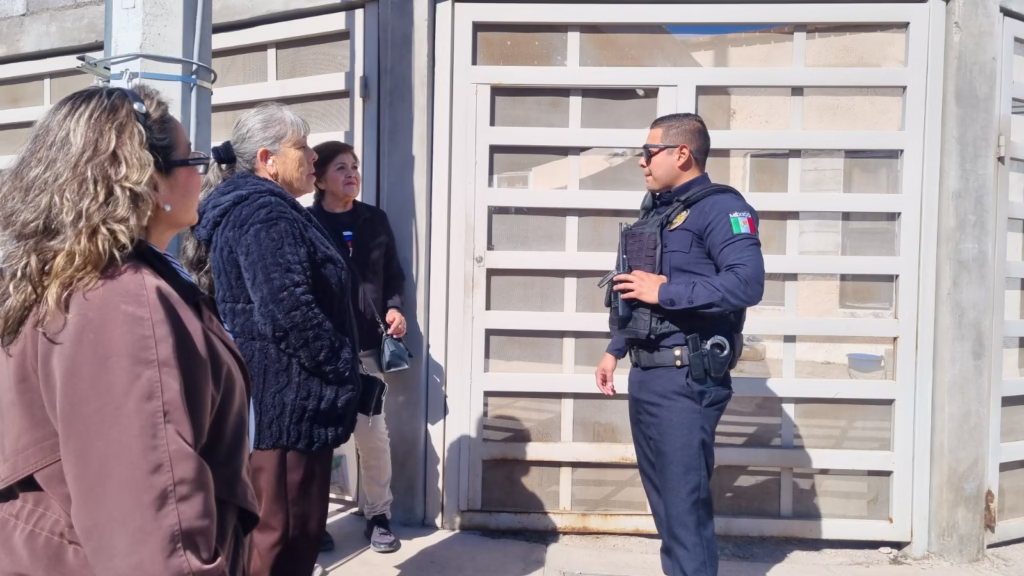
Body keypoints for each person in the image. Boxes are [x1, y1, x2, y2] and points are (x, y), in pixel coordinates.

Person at [0, 86, 258, 575]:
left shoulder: (69, 277)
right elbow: (154, 539)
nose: (201, 174)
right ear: (150, 181)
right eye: (191, 159)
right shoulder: (118, 301)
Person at [182, 104, 361, 576]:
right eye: (302, 147)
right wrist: (341, 365)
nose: (313, 157)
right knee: (281, 536)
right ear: (268, 159)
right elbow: (288, 310)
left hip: (278, 401)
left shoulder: (264, 207)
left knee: (283, 535)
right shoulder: (264, 213)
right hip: (285, 407)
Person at [594, 113, 765, 576]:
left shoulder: (722, 209)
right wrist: (616, 347)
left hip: (687, 378)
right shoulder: (656, 211)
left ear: (682, 153)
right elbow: (636, 290)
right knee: (667, 507)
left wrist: (666, 290)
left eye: (649, 152)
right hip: (648, 374)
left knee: (684, 508)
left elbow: (747, 283)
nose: (642, 162)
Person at [309, 141, 406, 554]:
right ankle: (314, 521)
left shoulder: (374, 220)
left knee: (373, 436)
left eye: (354, 166)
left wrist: (394, 309)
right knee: (319, 440)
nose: (351, 174)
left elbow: (394, 275)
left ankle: (378, 516)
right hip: (323, 352)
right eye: (340, 168)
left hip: (367, 350)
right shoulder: (306, 222)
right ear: (319, 179)